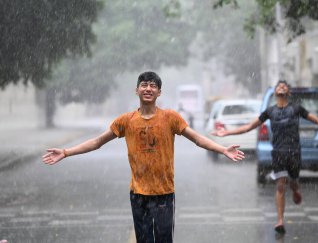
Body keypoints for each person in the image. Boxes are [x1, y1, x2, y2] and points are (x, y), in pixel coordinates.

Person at [42, 71, 245, 243]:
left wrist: (223, 149)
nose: (148, 89)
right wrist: (66, 152)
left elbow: (198, 139)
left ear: (159, 92)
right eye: (144, 85)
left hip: (164, 193)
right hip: (138, 195)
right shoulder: (126, 121)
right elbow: (97, 142)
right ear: (137, 90)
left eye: (153, 86)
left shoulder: (170, 118)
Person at [212, 80, 318, 235]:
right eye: (278, 86)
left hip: (294, 152)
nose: (281, 86)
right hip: (278, 153)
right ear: (275, 93)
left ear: (288, 92)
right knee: (280, 185)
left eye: (284, 85)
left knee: (293, 181)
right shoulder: (269, 112)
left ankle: (295, 189)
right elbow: (248, 127)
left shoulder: (296, 109)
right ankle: (280, 220)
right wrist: (227, 132)